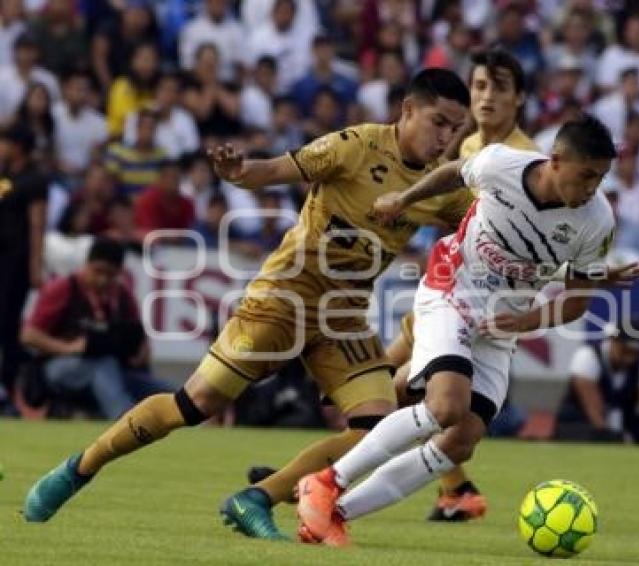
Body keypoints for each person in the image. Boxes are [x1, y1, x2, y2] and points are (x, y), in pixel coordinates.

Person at [22, 69, 474, 543]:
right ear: (407, 111)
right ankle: (79, 469)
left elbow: (488, 224)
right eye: (438, 122)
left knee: (377, 429)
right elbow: (277, 169)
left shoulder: (441, 184)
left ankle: (257, 498)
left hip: (341, 317)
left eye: (454, 128)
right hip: (283, 297)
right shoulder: (357, 145)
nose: (445, 137)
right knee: (194, 405)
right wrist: (240, 172)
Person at [295, 114, 639, 546]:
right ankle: (328, 481)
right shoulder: (502, 165)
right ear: (555, 161)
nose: (593, 187)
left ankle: (335, 515)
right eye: (586, 175)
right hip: (451, 289)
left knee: (462, 440)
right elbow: (451, 174)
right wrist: (404, 199)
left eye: (601, 177)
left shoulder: (597, 220)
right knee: (446, 407)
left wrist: (525, 321)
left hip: (502, 324)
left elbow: (576, 301)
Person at [248, 47, 540, 523]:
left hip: (482, 306)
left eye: (498, 88)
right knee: (395, 400)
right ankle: (302, 485)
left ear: (520, 100)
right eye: (480, 85)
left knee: (400, 398)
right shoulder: (463, 146)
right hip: (448, 293)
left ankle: (296, 486)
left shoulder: (524, 160)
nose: (485, 97)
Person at [20, 238, 173, 419]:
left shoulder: (122, 294)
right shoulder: (64, 288)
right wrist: (69, 348)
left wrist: (141, 352)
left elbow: (138, 334)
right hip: (59, 367)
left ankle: (197, 420)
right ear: (87, 264)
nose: (103, 280)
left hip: (114, 370)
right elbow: (29, 335)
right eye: (98, 271)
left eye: (110, 275)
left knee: (165, 393)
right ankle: (128, 423)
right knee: (103, 365)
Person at [555, 319, 639, 445]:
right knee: (588, 434)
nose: (629, 359)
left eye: (635, 353)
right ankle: (623, 440)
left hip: (623, 423)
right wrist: (610, 437)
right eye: (625, 351)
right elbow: (594, 410)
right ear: (613, 340)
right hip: (583, 422)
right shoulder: (587, 356)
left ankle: (625, 439)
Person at [0, 125, 47, 401]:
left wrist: (35, 266)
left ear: (18, 146)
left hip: (15, 261)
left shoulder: (33, 180)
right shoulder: (7, 177)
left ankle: (10, 383)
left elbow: (37, 223)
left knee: (8, 322)